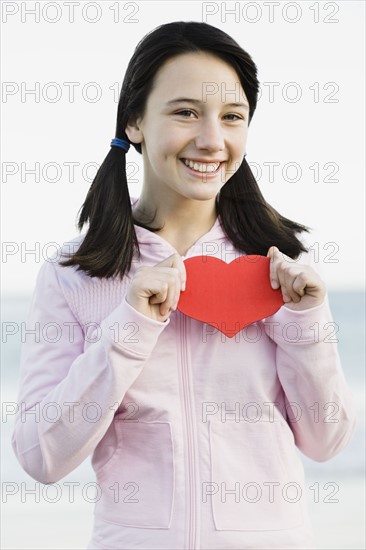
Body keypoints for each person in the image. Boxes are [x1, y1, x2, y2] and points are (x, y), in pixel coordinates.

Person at [12, 21, 356, 550]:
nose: (212, 140)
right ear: (134, 121)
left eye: (232, 117)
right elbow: (41, 458)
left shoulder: (282, 268)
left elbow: (327, 440)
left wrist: (305, 325)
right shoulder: (72, 273)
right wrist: (128, 328)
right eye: (185, 112)